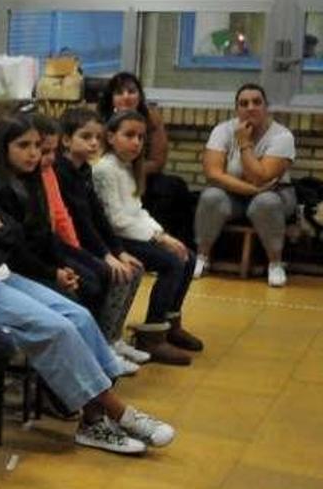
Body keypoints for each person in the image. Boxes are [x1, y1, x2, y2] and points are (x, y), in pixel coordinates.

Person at [0, 126, 175, 454]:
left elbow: (12, 234)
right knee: (56, 329)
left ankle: (93, 420)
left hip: (2, 275)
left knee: (80, 316)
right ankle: (121, 413)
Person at [0, 112, 140, 376]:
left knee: (93, 279)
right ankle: (83, 373)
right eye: (24, 146)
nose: (34, 154)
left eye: (37, 147)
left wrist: (62, 266)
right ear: (3, 148)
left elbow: (48, 232)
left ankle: (100, 361)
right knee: (79, 298)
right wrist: (54, 272)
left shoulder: (33, 179)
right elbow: (16, 251)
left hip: (42, 260)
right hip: (16, 271)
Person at [93, 111, 204, 364]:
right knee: (171, 262)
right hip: (116, 240)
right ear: (111, 137)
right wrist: (158, 239)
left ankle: (170, 324)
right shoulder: (105, 170)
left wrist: (163, 234)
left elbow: (138, 210)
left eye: (141, 137)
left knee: (187, 256)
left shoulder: (127, 167)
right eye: (129, 135)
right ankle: (152, 335)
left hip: (132, 233)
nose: (136, 143)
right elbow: (117, 221)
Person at [54, 107, 149, 365]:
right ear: (65, 140)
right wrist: (106, 256)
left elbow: (99, 217)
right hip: (70, 245)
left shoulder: (85, 169)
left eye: (97, 137)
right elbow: (80, 223)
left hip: (88, 242)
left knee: (133, 268)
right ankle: (101, 345)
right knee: (108, 274)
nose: (94, 142)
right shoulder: (61, 172)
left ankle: (114, 337)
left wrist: (118, 251)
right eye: (86, 137)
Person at [194, 83, 296, 287]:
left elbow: (261, 177)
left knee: (264, 202)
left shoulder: (282, 136)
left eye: (257, 102)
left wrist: (244, 143)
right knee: (211, 196)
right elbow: (213, 173)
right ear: (236, 109)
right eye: (244, 103)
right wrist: (251, 190)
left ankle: (275, 264)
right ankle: (202, 258)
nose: (250, 107)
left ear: (266, 107)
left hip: (276, 196)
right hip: (235, 195)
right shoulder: (222, 130)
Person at [99, 72, 195, 247]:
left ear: (140, 95)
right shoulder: (101, 121)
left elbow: (158, 161)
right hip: (111, 173)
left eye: (131, 91)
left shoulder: (151, 118)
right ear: (111, 98)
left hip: (142, 172)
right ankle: (142, 243)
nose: (126, 96)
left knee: (174, 186)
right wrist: (122, 170)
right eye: (120, 92)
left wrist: (132, 169)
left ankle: (177, 243)